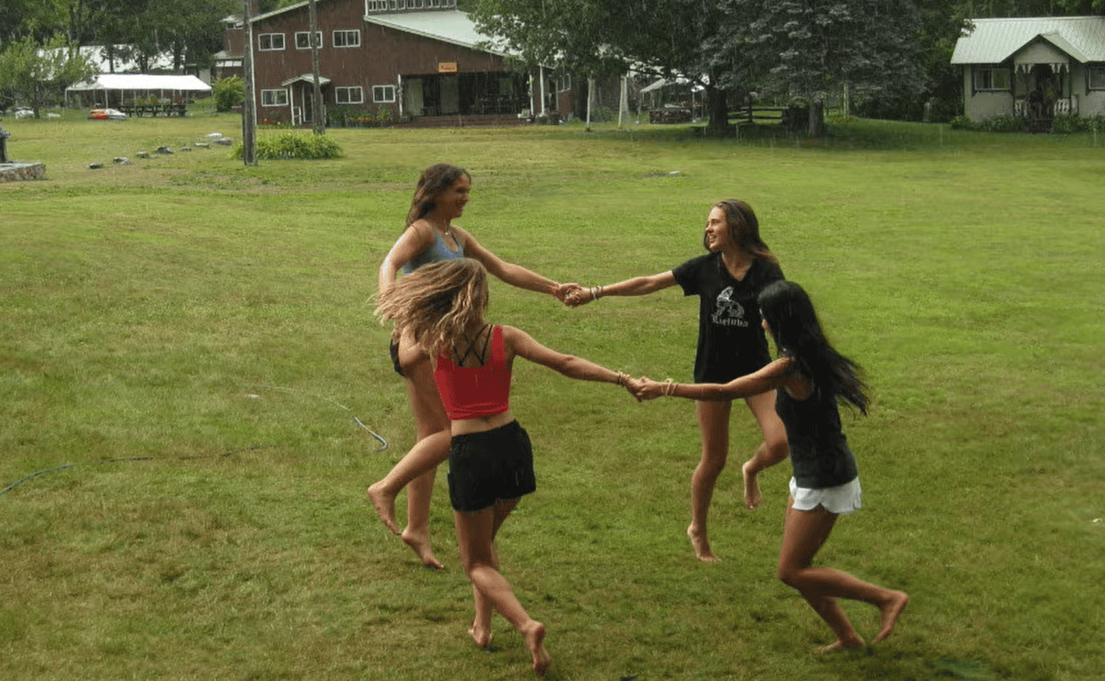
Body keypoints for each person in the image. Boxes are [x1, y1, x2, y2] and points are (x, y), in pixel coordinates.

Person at [376, 258, 638, 676]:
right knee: (487, 541)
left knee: (476, 563)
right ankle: (482, 627)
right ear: (481, 299)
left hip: (471, 454)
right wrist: (624, 379)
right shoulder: (507, 336)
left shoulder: (435, 341)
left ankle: (525, 624)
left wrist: (410, 318)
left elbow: (405, 359)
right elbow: (566, 362)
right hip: (512, 446)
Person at [632, 280, 909, 652]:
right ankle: (848, 638)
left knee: (791, 570)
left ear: (780, 319)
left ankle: (885, 599)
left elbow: (725, 391)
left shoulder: (790, 367)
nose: (759, 320)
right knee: (801, 567)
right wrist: (751, 470)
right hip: (816, 470)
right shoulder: (812, 352)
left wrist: (665, 388)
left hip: (825, 477)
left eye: (764, 314)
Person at [560, 199, 788, 562]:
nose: (708, 229)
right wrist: (595, 292)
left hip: (755, 370)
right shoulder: (704, 268)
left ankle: (751, 469)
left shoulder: (766, 271)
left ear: (736, 226)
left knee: (780, 442)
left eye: (715, 222)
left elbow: (783, 315)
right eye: (707, 223)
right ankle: (697, 527)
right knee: (713, 460)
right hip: (712, 371)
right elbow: (649, 282)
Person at [368, 163, 568, 569]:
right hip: (422, 344)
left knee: (430, 436)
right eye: (458, 191)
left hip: (439, 345)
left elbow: (503, 268)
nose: (464, 198)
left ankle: (416, 529)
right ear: (436, 191)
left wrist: (554, 288)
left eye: (467, 191)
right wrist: (393, 305)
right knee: (451, 433)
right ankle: (385, 488)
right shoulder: (423, 231)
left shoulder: (456, 237)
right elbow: (387, 265)